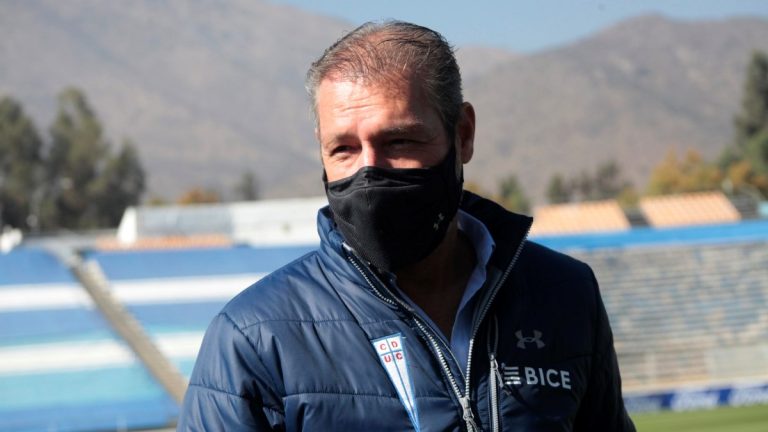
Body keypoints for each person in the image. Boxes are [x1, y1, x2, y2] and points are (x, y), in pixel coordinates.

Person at [179, 20, 636, 431]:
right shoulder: (254, 336)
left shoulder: (565, 294)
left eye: (399, 140)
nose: (369, 171)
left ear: (463, 135)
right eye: (343, 149)